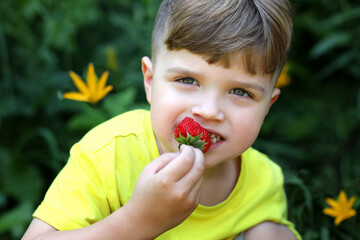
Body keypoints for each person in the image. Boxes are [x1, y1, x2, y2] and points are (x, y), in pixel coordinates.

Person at [22, 0, 301, 239]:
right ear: (150, 81)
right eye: (188, 80)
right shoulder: (108, 155)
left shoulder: (262, 179)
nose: (208, 110)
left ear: (268, 105)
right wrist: (137, 221)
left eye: (240, 91)